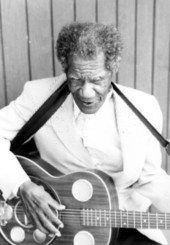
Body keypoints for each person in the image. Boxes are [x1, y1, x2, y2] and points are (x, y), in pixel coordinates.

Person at [0, 22, 170, 245]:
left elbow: (149, 176)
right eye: (75, 79)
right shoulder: (38, 95)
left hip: (122, 221)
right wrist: (22, 186)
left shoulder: (145, 107)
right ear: (65, 68)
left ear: (113, 67)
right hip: (55, 226)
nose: (86, 92)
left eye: (97, 80)